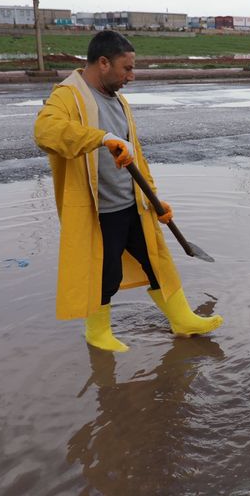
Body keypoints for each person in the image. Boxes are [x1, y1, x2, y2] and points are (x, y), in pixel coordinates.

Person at [33, 30, 223, 353]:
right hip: (99, 210)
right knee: (104, 274)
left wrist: (155, 198)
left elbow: (136, 154)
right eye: (126, 68)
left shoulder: (119, 101)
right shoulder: (68, 95)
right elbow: (45, 131)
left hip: (133, 203)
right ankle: (97, 332)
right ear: (103, 63)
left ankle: (182, 319)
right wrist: (101, 138)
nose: (131, 77)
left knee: (157, 262)